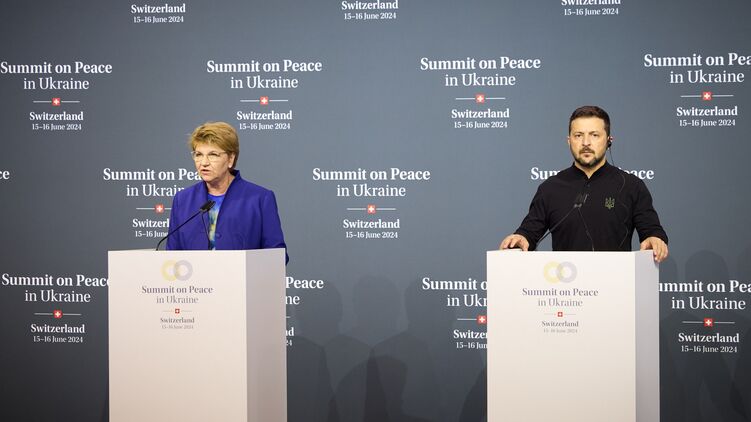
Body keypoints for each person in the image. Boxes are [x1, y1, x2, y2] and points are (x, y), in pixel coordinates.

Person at [499, 105, 668, 262]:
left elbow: (652, 231)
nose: (586, 143)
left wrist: (655, 239)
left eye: (594, 135)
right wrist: (521, 237)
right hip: (565, 281)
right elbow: (529, 232)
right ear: (569, 141)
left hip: (617, 281)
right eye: (578, 135)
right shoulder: (550, 188)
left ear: (609, 140)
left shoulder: (631, 186)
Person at [167, 121, 287, 260]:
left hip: (242, 275)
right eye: (198, 154)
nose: (204, 162)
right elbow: (171, 255)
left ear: (231, 158)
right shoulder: (182, 199)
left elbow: (277, 256)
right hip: (194, 275)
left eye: (213, 155)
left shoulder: (260, 198)